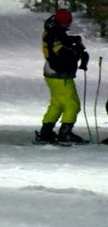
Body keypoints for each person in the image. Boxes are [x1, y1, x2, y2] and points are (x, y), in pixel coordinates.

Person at [35, 8, 90, 144]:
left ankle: (46, 132)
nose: (67, 26)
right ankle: (65, 133)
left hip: (51, 72)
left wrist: (73, 41)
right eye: (66, 24)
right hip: (59, 74)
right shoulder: (54, 34)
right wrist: (78, 52)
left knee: (57, 103)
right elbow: (64, 57)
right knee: (73, 104)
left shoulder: (52, 31)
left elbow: (62, 41)